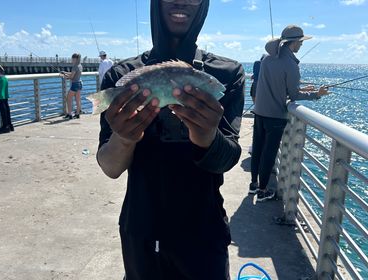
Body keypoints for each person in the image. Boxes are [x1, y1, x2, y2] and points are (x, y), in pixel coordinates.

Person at [97, 0, 245, 279]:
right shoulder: (122, 76)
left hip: (204, 231)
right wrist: (124, 138)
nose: (181, 1)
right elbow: (110, 166)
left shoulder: (227, 73)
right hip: (140, 231)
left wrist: (206, 135)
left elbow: (228, 158)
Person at [249, 25, 330, 201]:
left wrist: (300, 88)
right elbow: (293, 95)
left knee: (258, 149)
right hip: (275, 116)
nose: (301, 46)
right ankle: (263, 191)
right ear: (294, 43)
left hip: (260, 112)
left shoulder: (268, 59)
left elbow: (276, 85)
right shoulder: (291, 64)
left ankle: (253, 186)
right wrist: (317, 94)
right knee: (269, 153)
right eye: (300, 42)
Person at [61, 53, 83, 119]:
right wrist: (65, 72)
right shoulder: (80, 65)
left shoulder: (75, 66)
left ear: (76, 59)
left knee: (68, 99)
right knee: (77, 100)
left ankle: (70, 114)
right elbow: (74, 74)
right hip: (80, 83)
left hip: (75, 84)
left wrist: (64, 76)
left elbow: (71, 77)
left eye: (73, 59)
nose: (72, 60)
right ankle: (77, 114)